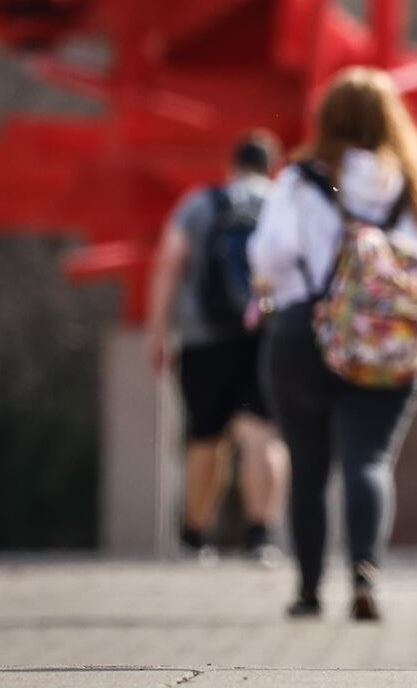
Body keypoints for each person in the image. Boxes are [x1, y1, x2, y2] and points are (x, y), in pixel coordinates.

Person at [247, 67, 417, 621]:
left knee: (309, 465)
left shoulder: (304, 178)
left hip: (303, 333)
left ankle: (310, 589)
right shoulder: (406, 183)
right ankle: (364, 573)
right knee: (370, 459)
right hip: (386, 342)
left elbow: (270, 255)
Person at [144, 132, 288, 565]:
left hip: (204, 338)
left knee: (205, 437)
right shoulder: (282, 203)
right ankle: (261, 535)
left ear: (232, 165)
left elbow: (170, 263)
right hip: (265, 337)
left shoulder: (200, 204)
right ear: (271, 166)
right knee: (260, 436)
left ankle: (194, 538)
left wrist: (157, 330)